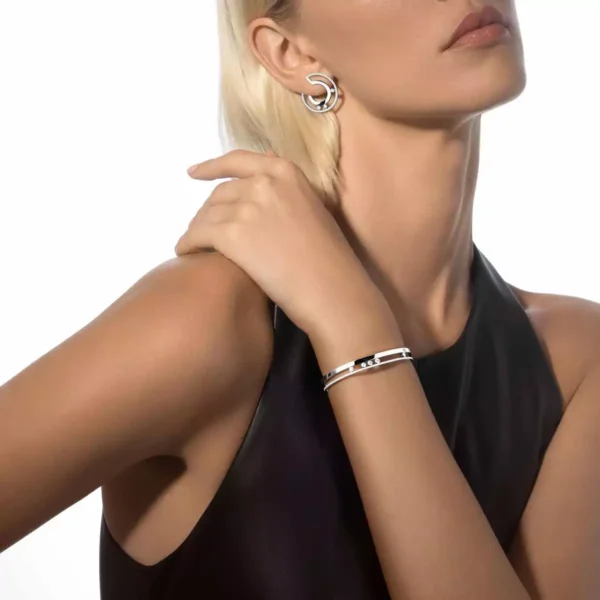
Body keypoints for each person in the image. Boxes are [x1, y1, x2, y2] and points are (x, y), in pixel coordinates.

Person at [1, 0, 599, 598]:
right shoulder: (205, 320)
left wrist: (354, 327)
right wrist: (354, 322)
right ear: (292, 53)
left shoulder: (575, 363)